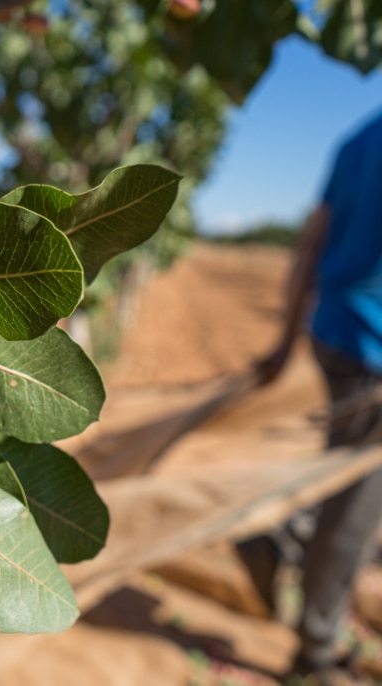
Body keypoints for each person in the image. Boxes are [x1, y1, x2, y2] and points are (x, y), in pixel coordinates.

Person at [237, 109, 382, 684]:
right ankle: (314, 652)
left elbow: (312, 243)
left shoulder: (358, 141)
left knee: (347, 475)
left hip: (335, 330)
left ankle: (279, 540)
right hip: (373, 344)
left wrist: (284, 339)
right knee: (358, 505)